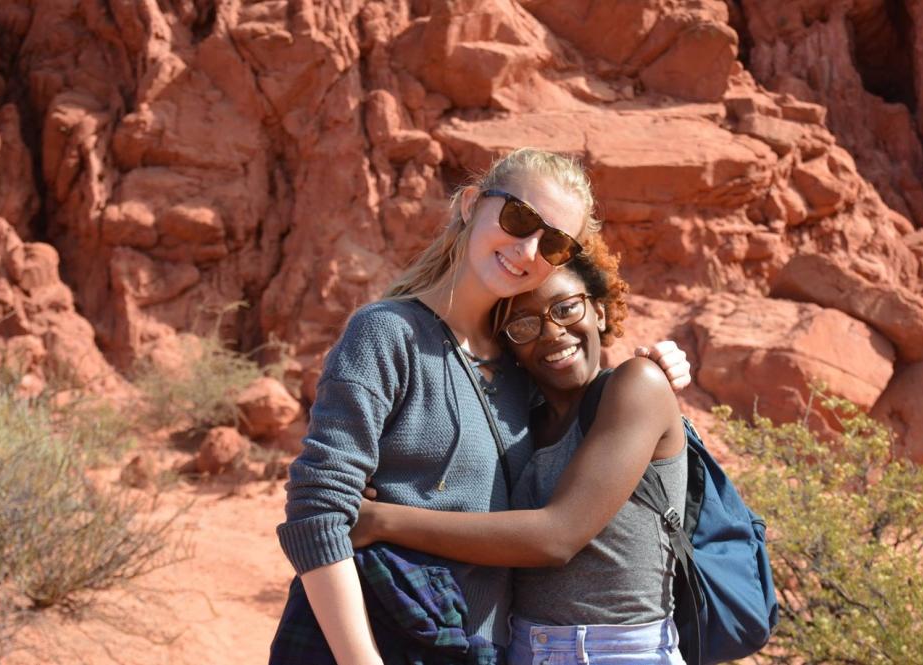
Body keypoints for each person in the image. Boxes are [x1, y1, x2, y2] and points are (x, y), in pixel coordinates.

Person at [273, 148, 691, 664]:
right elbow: (319, 510)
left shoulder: (522, 370)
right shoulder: (387, 333)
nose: (528, 250)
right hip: (376, 635)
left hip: (481, 648)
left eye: (555, 244)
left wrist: (659, 362)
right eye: (519, 219)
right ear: (472, 204)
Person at [351, 236, 688, 664]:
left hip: (618, 653)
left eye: (567, 308)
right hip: (524, 649)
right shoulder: (524, 419)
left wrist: (380, 520)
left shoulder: (637, 385)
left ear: (599, 310)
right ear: (509, 345)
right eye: (524, 325)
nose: (552, 333)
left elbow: (556, 537)